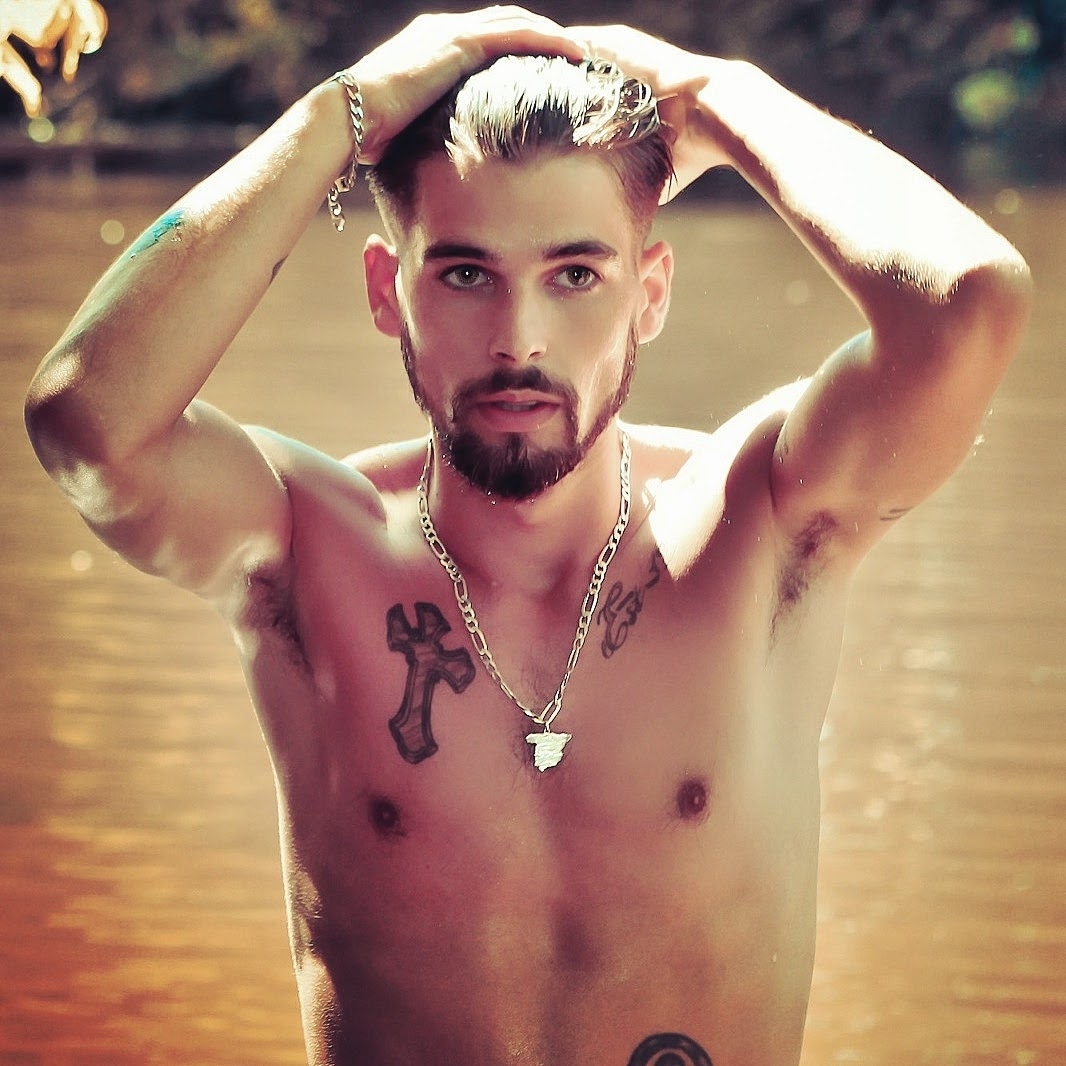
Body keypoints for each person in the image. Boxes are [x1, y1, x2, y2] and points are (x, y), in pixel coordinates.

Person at [24, 6, 1031, 1065]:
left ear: (649, 294)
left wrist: (720, 95)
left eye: (575, 274)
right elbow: (89, 421)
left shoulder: (762, 524)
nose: (519, 341)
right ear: (388, 292)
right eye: (465, 273)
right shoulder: (306, 548)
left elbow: (967, 306)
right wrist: (338, 115)